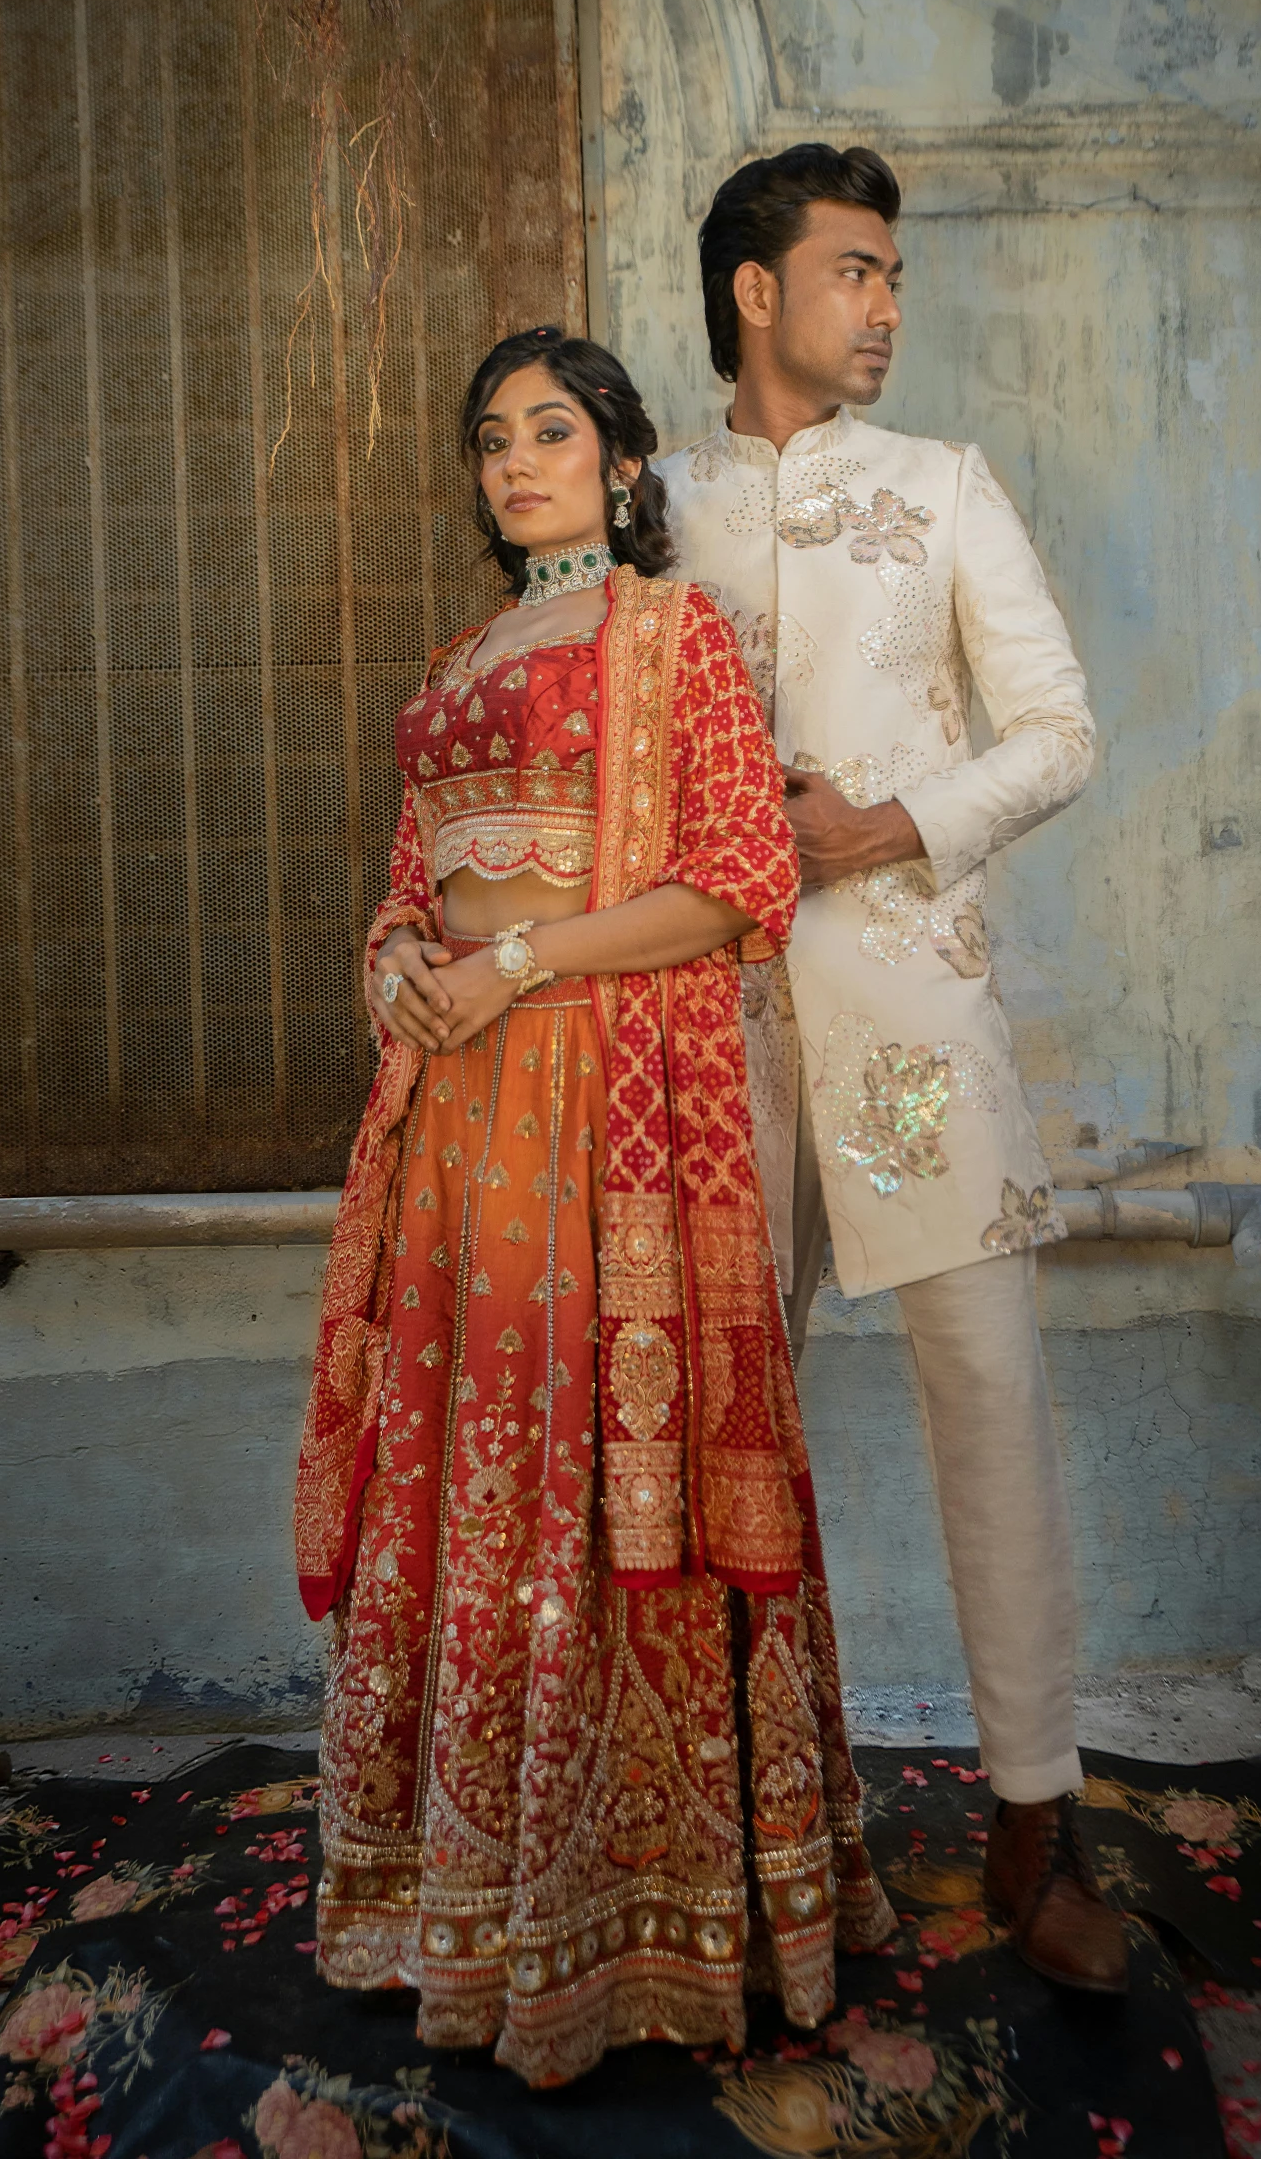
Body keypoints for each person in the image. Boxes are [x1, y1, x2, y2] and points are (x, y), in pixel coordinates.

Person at [292, 327, 893, 2087]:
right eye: (490, 439)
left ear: (624, 463)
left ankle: (642, 1909)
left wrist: (521, 961)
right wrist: (401, 957)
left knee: (591, 1468)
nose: (514, 461)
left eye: (550, 430)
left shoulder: (670, 634)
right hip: (459, 1125)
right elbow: (410, 882)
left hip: (597, 1107)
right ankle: (448, 1898)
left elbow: (736, 879)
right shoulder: (465, 651)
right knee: (471, 1471)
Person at [656, 146, 1125, 1995]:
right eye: (856, 270)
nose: (887, 305)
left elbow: (1062, 729)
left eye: (895, 275)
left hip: (903, 1038)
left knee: (983, 1391)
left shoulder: (940, 491)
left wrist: (892, 823)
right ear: (756, 292)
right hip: (700, 1042)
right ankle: (722, 1816)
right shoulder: (656, 503)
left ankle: (1034, 1819)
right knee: (701, 1421)